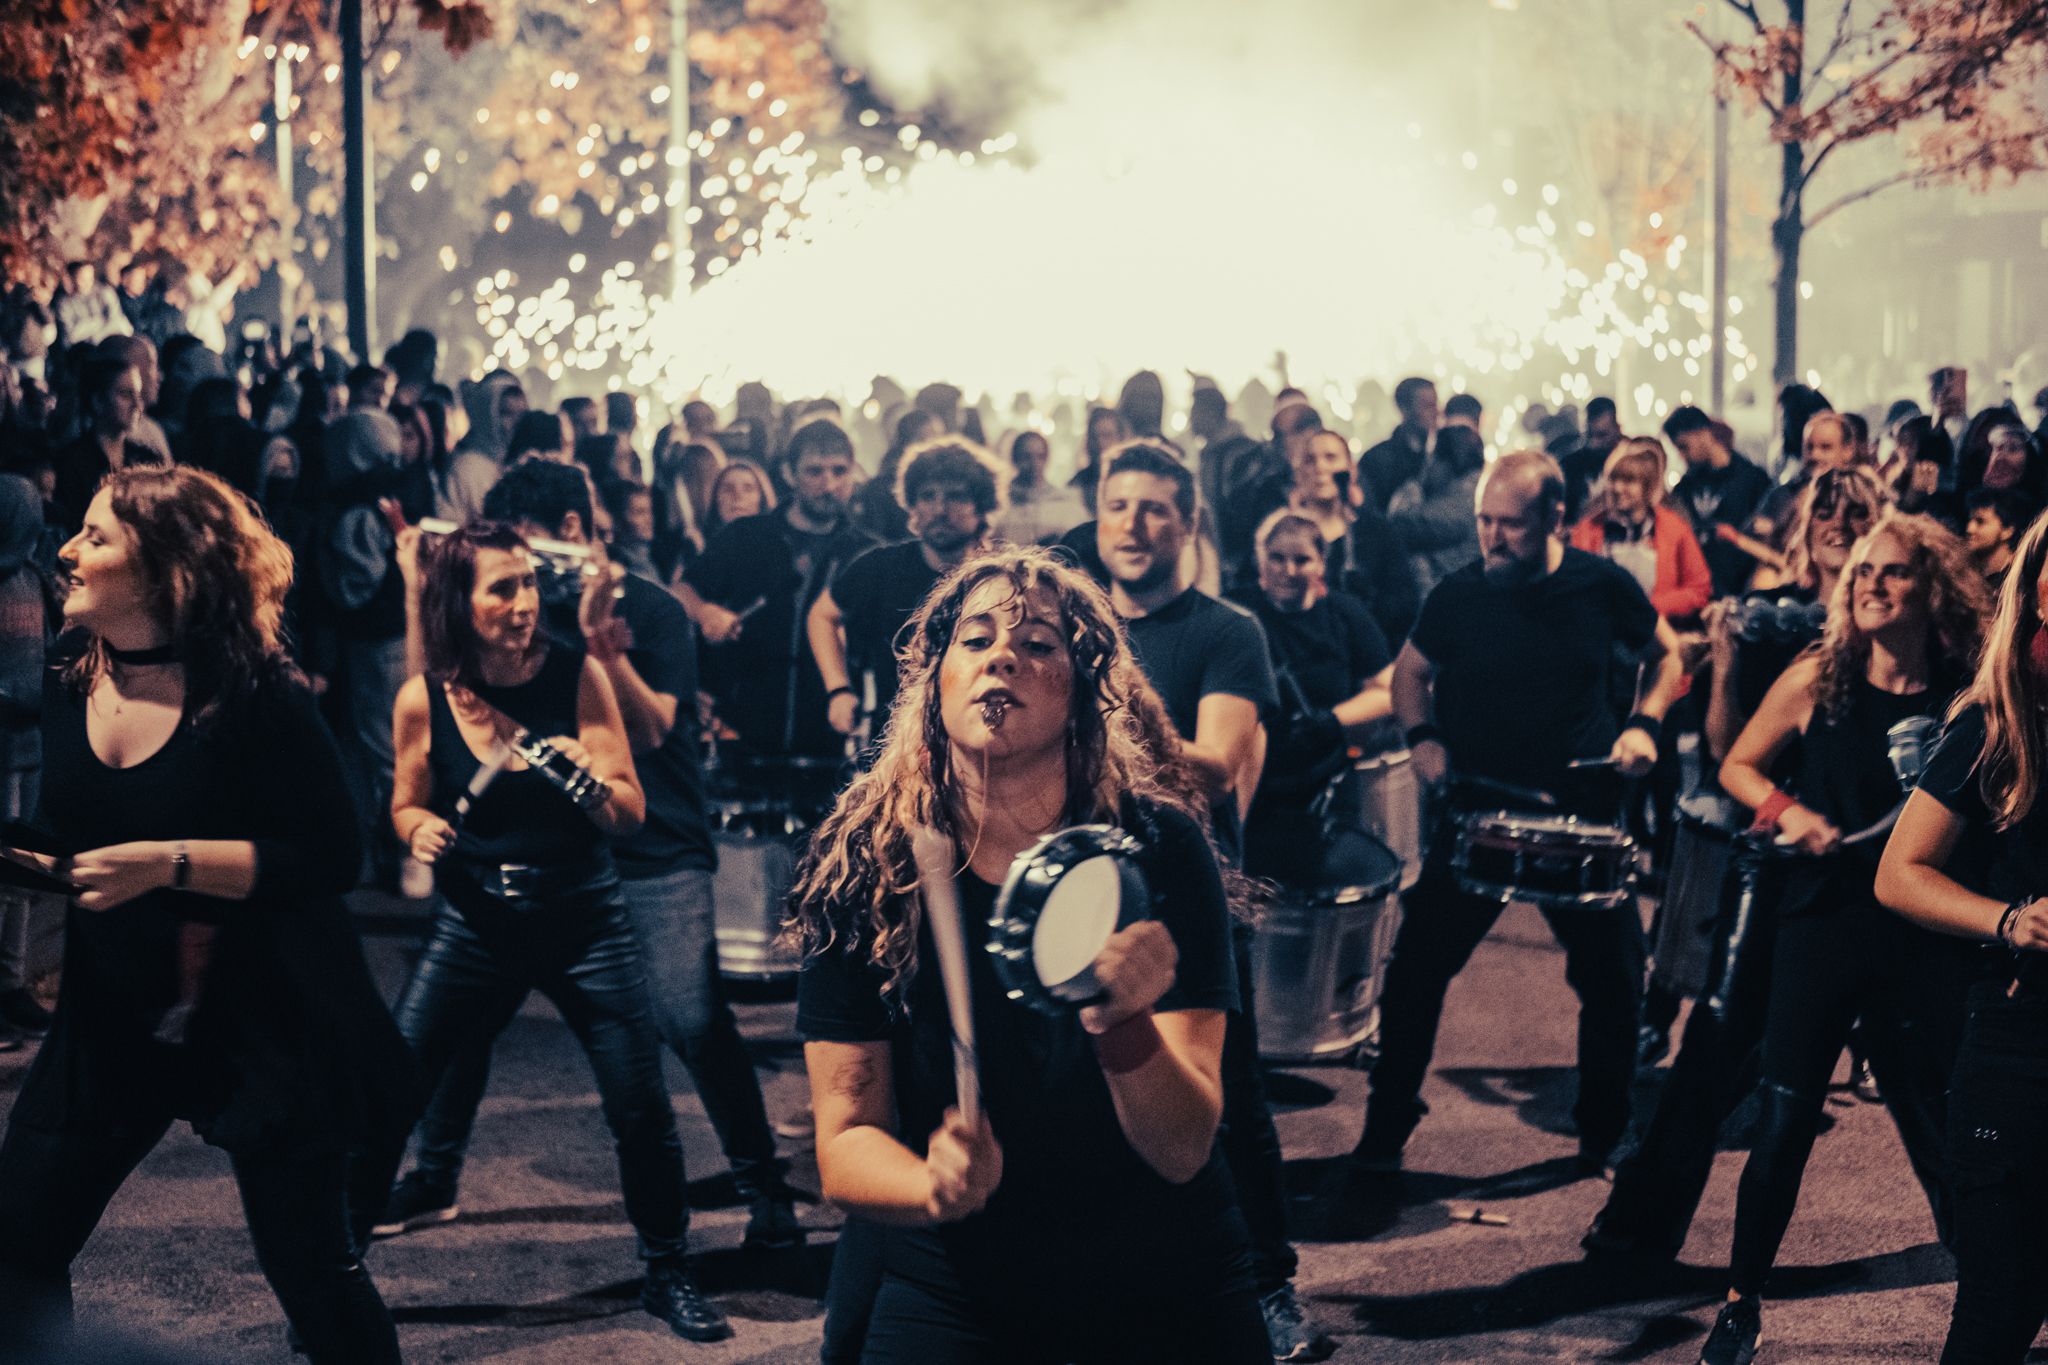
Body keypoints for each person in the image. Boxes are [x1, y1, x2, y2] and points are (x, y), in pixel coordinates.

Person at [795, 546, 1269, 1363]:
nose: (1003, 655)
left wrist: (1125, 1024)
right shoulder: (868, 858)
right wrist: (927, 1184)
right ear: (932, 678)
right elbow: (845, 1142)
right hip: (957, 1271)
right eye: (974, 640)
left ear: (1085, 689)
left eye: (1040, 644)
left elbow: (1184, 1144)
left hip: (1156, 1257)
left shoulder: (1158, 849)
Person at [0, 465, 412, 1362]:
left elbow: (331, 857)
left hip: (265, 1011)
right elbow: (75, 846)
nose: (65, 549)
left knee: (314, 1275)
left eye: (96, 536)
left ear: (165, 574)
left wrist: (168, 864)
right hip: (118, 1010)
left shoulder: (259, 695)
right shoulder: (74, 676)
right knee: (15, 1242)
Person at [372, 463, 800, 1252]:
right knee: (460, 1029)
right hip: (545, 849)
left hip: (652, 840)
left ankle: (763, 1187)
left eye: (534, 563)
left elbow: (654, 729)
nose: (527, 594)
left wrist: (606, 646)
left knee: (693, 1020)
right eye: (509, 574)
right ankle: (434, 1176)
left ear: (571, 529)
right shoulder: (506, 616)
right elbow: (438, 696)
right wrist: (416, 585)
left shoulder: (650, 607)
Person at [354, 519, 730, 1343]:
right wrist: (416, 830)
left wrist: (592, 783)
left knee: (640, 1106)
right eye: (503, 588)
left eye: (528, 583)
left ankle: (669, 1270)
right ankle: (335, 1280)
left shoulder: (578, 674)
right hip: (477, 920)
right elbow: (406, 800)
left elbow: (629, 812)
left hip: (585, 916)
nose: (525, 603)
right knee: (390, 1090)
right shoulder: (428, 694)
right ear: (460, 598)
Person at [1696, 512, 1988, 1365]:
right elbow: (1737, 764)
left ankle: (1989, 1299)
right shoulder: (1820, 677)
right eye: (1863, 570)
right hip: (1822, 923)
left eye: (1893, 572)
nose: (1870, 583)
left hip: (1924, 935)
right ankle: (1740, 1304)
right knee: (1783, 1122)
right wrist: (1791, 814)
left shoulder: (1964, 689)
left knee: (1944, 1126)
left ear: (1931, 586)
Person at [1351, 450, 1684, 1175]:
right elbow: (1411, 672)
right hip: (1480, 810)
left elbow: (1668, 656)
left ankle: (1604, 1127)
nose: (1493, 539)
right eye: (1485, 522)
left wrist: (1645, 724)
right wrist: (1422, 737)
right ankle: (1385, 1128)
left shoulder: (1603, 585)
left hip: (1581, 815)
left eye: (1511, 526)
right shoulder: (1457, 594)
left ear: (1556, 518)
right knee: (1414, 971)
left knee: (1616, 978)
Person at [1093, 442, 1330, 1360]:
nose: (1133, 524)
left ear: (1188, 523)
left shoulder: (1227, 630)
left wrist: (1116, 708)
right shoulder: (1069, 621)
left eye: (1155, 508)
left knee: (1228, 1097)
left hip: (1191, 891)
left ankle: (1269, 1284)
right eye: (1119, 505)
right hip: (1087, 890)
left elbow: (1219, 772)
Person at [1875, 512, 2048, 1362]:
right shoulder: (1998, 719)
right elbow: (1899, 870)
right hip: (2022, 1045)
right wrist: (2009, 918)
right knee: (1999, 1306)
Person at [680, 420, 875, 760]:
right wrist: (706, 612)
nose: (828, 484)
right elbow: (682, 590)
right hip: (743, 723)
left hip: (831, 732)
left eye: (839, 471)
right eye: (814, 472)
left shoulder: (864, 551)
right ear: (789, 473)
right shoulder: (747, 535)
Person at [1231, 510, 1394, 887]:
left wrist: (1331, 719)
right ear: (1261, 559)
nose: (1289, 569)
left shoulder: (1346, 614)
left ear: (1320, 563)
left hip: (1325, 785)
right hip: (1255, 790)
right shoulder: (1236, 612)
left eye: (1302, 559)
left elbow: (1387, 691)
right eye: (1278, 558)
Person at [810, 438, 1008, 743]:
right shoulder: (881, 567)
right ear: (912, 505)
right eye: (927, 496)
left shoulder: (1002, 577)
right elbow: (822, 615)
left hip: (982, 743)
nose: (940, 509)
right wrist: (838, 690)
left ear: (981, 506)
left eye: (955, 497)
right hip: (896, 746)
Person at [1666, 405, 1776, 599]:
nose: (1682, 456)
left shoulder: (1753, 480)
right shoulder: (1684, 488)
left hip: (1746, 589)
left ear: (1703, 434)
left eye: (1684, 446)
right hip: (1699, 593)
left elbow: (1769, 536)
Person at [53, 358, 164, 535]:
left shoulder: (148, 459)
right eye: (126, 395)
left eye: (138, 394)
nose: (137, 404)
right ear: (98, 401)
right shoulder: (72, 461)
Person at [1388, 423, 1486, 599]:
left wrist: (1408, 495)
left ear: (1445, 462)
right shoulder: (1482, 486)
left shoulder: (1463, 497)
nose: (1427, 468)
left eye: (1431, 459)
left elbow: (1400, 531)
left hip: (1452, 602)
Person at [1358, 377, 1438, 513]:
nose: (1436, 412)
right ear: (1404, 408)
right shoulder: (1376, 460)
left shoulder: (1442, 455)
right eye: (1427, 406)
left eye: (1435, 405)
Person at [993, 429, 1086, 546]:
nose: (1034, 463)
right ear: (1015, 458)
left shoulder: (1066, 504)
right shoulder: (1000, 504)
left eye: (1040, 456)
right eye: (1027, 457)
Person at [1561, 396, 1625, 523]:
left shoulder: (1633, 459)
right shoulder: (1570, 465)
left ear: (1617, 429)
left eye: (1602, 435)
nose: (1594, 443)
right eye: (1589, 435)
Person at [1964, 487, 2031, 591]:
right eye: (1970, 520)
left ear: (2007, 530)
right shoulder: (1966, 572)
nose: (1969, 529)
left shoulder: (2020, 582)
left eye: (1980, 521)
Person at [51, 263, 131, 349]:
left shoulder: (105, 292)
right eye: (82, 279)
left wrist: (89, 331)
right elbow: (69, 338)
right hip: (82, 351)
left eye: (90, 278)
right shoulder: (64, 303)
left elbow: (116, 320)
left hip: (110, 342)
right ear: (72, 279)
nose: (88, 283)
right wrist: (99, 321)